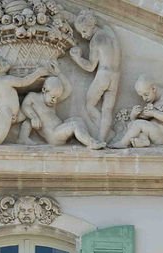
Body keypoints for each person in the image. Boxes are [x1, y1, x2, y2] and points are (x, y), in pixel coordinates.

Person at [0, 52, 51, 145]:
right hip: (5, 112)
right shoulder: (6, 80)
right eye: (2, 60)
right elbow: (24, 81)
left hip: (14, 113)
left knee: (31, 112)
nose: (5, 61)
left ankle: (23, 138)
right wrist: (38, 73)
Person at [69, 10, 122, 143]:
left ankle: (104, 136)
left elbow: (90, 67)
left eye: (84, 31)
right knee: (107, 109)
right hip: (115, 76)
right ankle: (104, 138)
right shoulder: (110, 33)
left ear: (91, 26)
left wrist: (77, 58)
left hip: (103, 74)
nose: (83, 35)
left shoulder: (96, 40)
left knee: (90, 105)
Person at [20, 73, 104, 149]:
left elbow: (68, 90)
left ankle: (83, 138)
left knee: (78, 120)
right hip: (54, 135)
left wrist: (59, 73)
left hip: (59, 127)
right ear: (44, 90)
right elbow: (25, 106)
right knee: (74, 125)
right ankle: (91, 143)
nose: (55, 101)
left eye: (57, 98)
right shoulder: (33, 97)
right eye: (53, 97)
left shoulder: (51, 102)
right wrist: (33, 117)